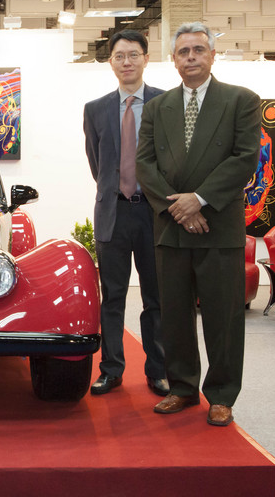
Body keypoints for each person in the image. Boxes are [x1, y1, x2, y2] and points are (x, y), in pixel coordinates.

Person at [136, 22, 260, 426]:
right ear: (173, 59)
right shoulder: (157, 108)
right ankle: (183, 388)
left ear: (211, 55)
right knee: (173, 314)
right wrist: (179, 209)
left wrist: (199, 200)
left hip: (218, 226)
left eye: (199, 50)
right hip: (172, 227)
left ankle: (222, 394)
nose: (191, 57)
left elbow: (243, 159)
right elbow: (145, 164)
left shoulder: (240, 100)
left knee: (224, 316)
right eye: (184, 51)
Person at [83, 30, 168, 397]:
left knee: (156, 298)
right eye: (120, 56)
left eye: (133, 55)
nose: (127, 62)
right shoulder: (96, 109)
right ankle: (112, 369)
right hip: (113, 214)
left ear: (146, 58)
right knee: (112, 297)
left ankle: (159, 371)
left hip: (154, 215)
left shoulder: (166, 104)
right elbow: (97, 162)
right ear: (111, 62)